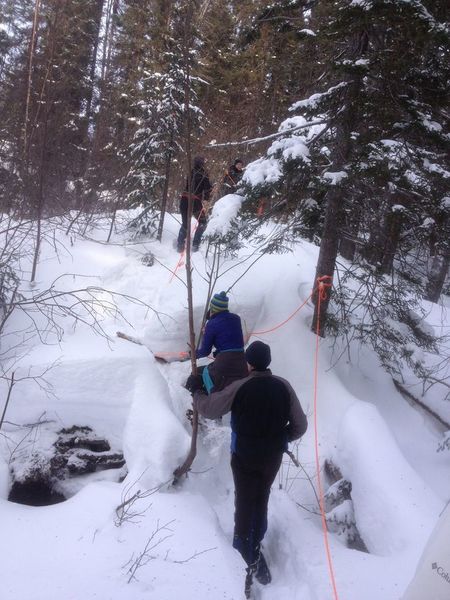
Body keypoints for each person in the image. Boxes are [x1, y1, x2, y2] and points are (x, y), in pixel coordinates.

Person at [187, 341, 307, 588]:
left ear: (249, 363)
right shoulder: (284, 386)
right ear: (268, 362)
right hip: (272, 456)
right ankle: (255, 544)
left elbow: (209, 409)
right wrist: (282, 438)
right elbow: (300, 425)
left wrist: (196, 390)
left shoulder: (241, 387)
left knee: (244, 500)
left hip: (244, 456)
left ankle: (243, 552)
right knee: (261, 497)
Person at [195, 291, 248, 393]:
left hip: (225, 362)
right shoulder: (236, 319)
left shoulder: (212, 324)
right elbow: (230, 341)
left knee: (205, 372)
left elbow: (205, 351)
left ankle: (212, 398)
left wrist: (194, 354)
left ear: (212, 308)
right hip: (242, 361)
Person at [177, 156, 212, 253]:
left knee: (185, 223)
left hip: (184, 200)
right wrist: (206, 199)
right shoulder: (204, 174)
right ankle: (195, 244)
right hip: (195, 201)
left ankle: (180, 244)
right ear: (202, 164)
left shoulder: (190, 172)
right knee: (203, 222)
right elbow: (208, 189)